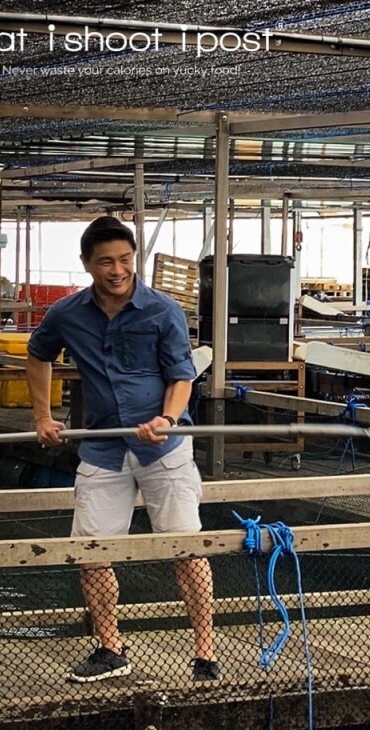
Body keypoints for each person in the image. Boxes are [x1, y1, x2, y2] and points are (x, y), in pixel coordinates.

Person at [26, 215, 218, 684]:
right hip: (101, 447)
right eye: (106, 262)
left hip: (164, 447)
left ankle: (206, 654)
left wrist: (167, 419)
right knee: (91, 549)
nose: (117, 270)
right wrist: (42, 417)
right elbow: (38, 353)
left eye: (126, 260)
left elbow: (181, 377)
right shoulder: (67, 313)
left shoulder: (163, 310)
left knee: (186, 546)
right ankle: (111, 648)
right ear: (87, 264)